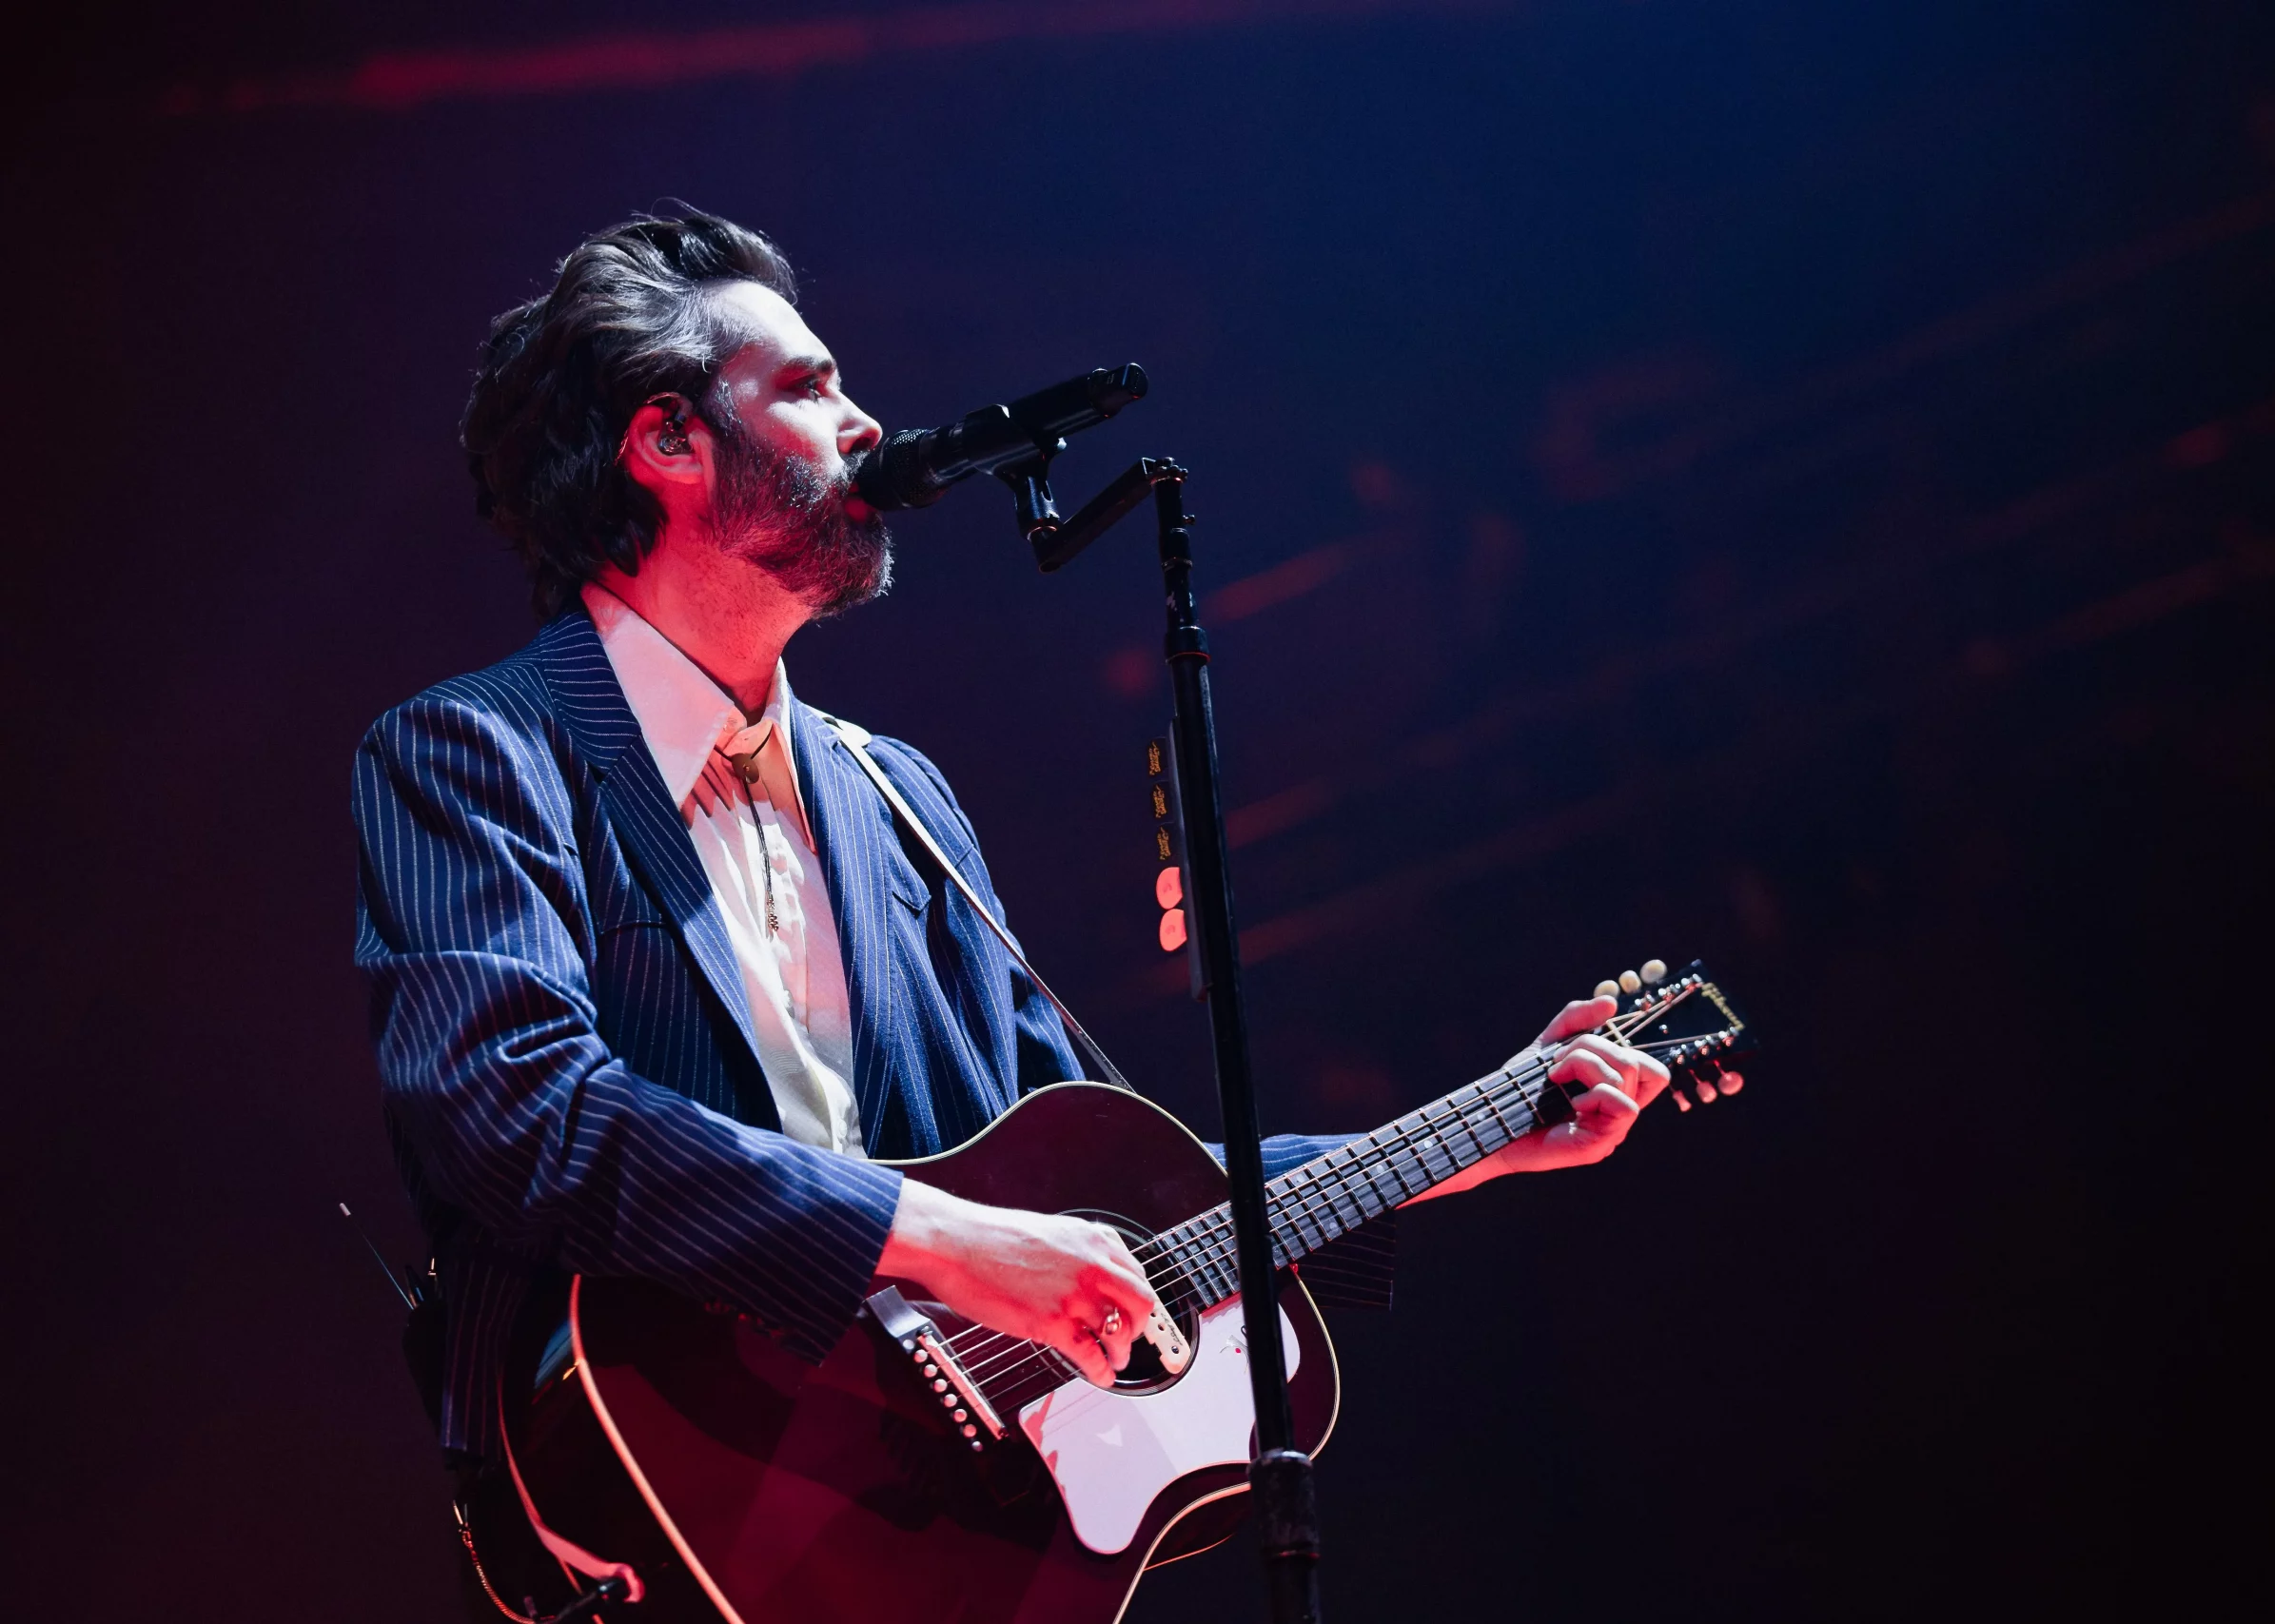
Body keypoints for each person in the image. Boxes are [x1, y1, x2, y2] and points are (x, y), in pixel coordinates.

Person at [351, 209, 1670, 1614]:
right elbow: (513, 1108)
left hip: (916, 1538)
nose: (866, 425)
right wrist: (943, 1239)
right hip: (642, 1533)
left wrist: (1478, 1133)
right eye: (807, 388)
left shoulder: (893, 796)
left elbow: (1092, 1197)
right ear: (666, 442)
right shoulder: (478, 751)